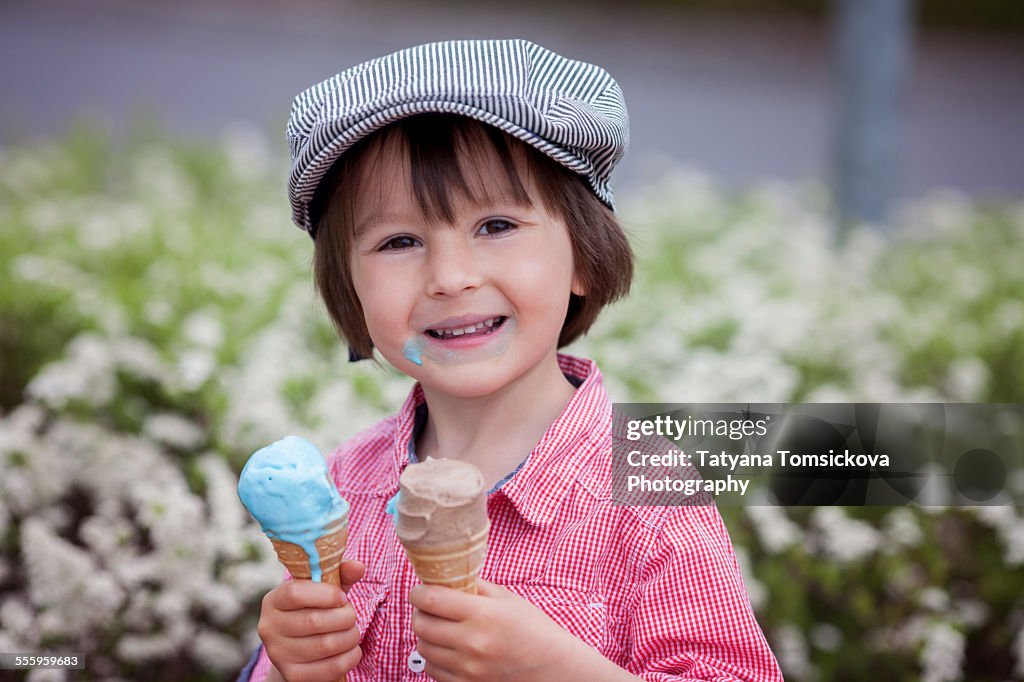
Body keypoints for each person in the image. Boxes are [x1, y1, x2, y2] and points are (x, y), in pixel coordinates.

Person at [239, 39, 782, 682]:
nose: (450, 276)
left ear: (583, 255)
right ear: (349, 291)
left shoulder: (651, 497)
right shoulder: (342, 482)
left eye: (495, 226)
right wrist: (283, 665)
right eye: (399, 241)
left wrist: (555, 669)